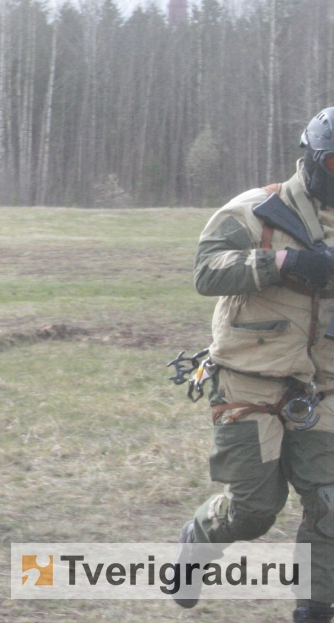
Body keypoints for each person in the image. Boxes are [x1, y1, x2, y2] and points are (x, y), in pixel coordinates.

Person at [180, 108, 334, 621]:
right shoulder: (257, 210)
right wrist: (280, 264)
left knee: (331, 506)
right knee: (253, 511)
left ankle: (313, 607)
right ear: (313, 162)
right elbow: (206, 270)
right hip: (251, 381)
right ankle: (199, 537)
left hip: (324, 389)